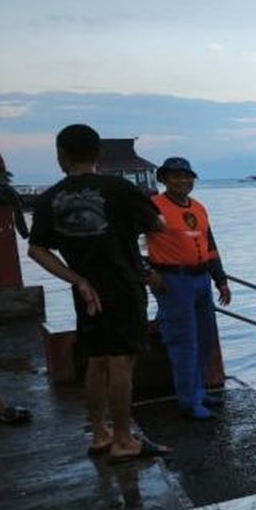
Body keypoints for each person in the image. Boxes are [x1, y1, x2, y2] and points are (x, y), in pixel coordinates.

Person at [27, 124, 170, 462]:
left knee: (96, 361)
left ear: (61, 155)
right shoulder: (119, 188)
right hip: (124, 285)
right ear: (99, 154)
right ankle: (124, 440)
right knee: (122, 361)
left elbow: (36, 250)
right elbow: (159, 224)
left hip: (85, 290)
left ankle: (100, 433)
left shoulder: (50, 198)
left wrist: (76, 279)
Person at [145, 157, 231, 420]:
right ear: (163, 179)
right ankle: (189, 401)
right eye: (175, 176)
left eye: (187, 176)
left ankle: (201, 391)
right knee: (183, 342)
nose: (182, 181)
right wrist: (147, 272)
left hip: (200, 279)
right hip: (173, 281)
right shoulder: (152, 207)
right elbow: (129, 242)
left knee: (204, 338)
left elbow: (210, 245)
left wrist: (221, 279)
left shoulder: (199, 208)